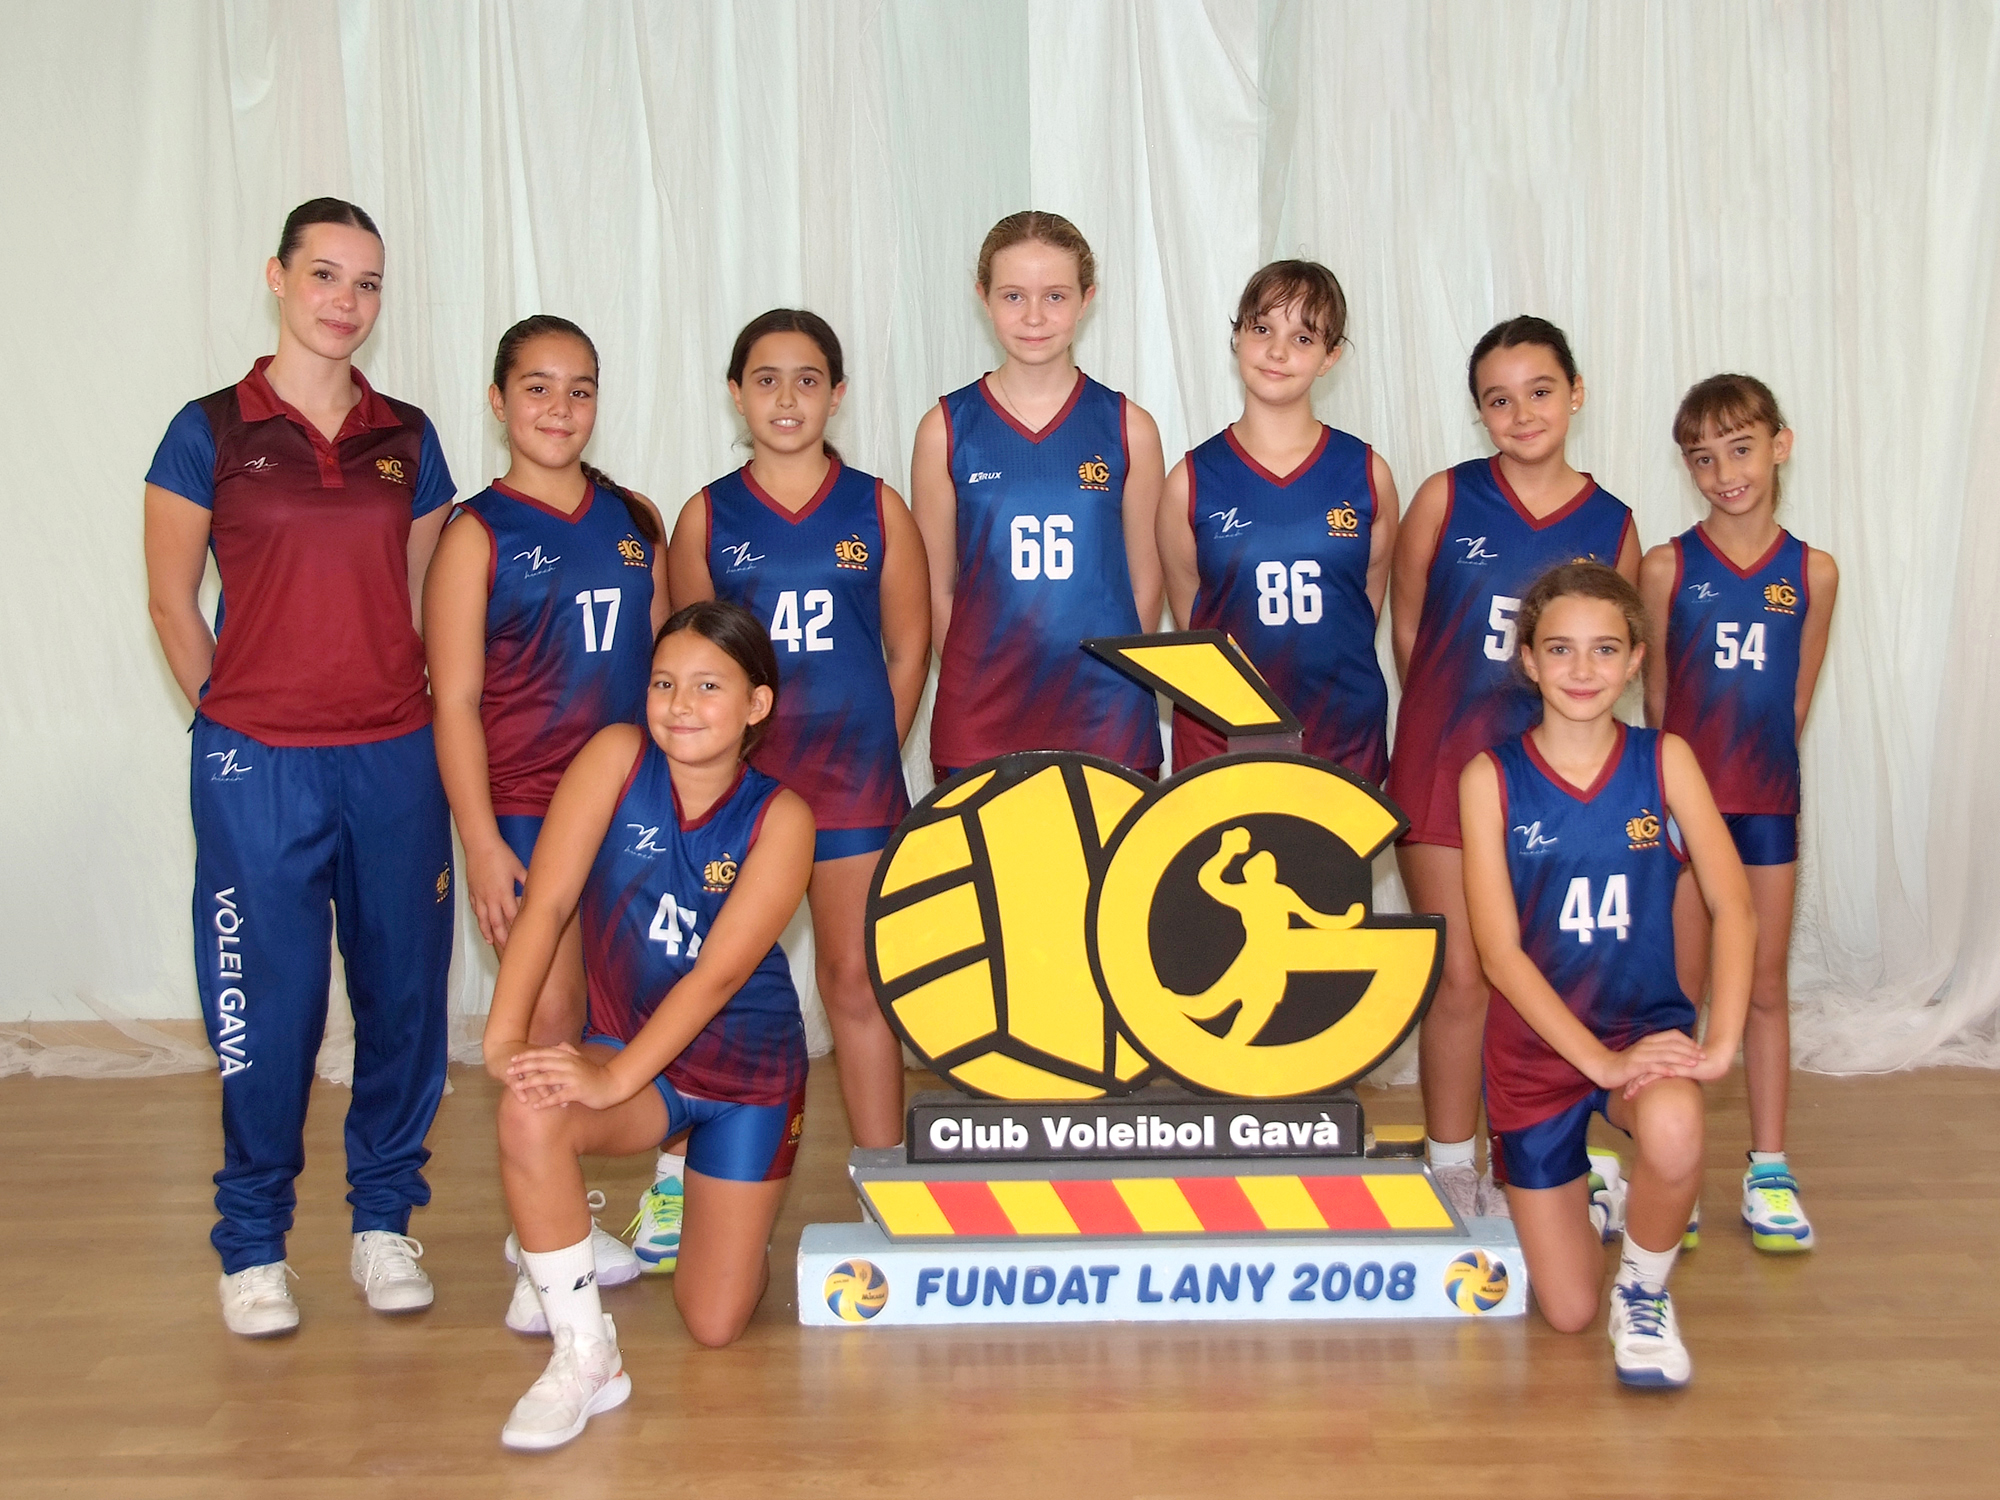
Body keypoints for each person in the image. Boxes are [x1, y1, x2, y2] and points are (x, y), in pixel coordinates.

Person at [143, 198, 456, 1336]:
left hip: (393, 757)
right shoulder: (209, 429)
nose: (345, 301)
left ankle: (383, 1223)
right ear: (277, 277)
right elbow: (171, 602)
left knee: (403, 997)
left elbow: (421, 606)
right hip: (259, 766)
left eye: (366, 282)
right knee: (266, 1008)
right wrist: (233, 720)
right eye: (325, 274)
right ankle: (253, 1244)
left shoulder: (407, 436)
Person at [485, 601, 814, 1451]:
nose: (680, 705)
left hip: (747, 1082)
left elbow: (717, 978)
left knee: (714, 1321)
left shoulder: (783, 819)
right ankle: (586, 1355)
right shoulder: (615, 759)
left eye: (709, 686)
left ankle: (724, 1216)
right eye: (665, 683)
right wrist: (504, 1035)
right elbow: (547, 902)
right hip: (644, 1061)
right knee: (529, 1109)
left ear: (757, 704)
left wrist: (611, 1077)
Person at [424, 315, 667, 1322]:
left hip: (628, 804)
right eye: (537, 387)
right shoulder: (474, 533)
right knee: (548, 1019)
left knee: (623, 1014)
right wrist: (481, 841)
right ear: (498, 401)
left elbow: (665, 673)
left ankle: (565, 1218)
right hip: (526, 807)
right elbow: (452, 701)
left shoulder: (633, 519)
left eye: (579, 389)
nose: (559, 408)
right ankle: (541, 1255)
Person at [1459, 562, 1754, 1388]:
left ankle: (1645, 1292)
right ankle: (1599, 1189)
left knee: (1677, 1124)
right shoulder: (1490, 778)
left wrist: (1720, 1043)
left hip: (1640, 1031)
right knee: (1566, 1310)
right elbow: (1499, 955)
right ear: (1528, 660)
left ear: (1635, 661)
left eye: (1604, 649)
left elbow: (1734, 905)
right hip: (1536, 1059)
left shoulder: (1666, 762)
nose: (1582, 669)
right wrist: (1599, 1064)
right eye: (1560, 649)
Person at [1386, 316, 1640, 1221]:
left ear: (1576, 393)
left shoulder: (1612, 524)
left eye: (1540, 391)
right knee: (1462, 975)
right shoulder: (1444, 499)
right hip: (1443, 766)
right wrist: (1452, 724)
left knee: (1540, 974)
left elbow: (1612, 658)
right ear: (1480, 413)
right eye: (1499, 399)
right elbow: (1410, 628)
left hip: (1550, 785)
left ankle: (1533, 1161)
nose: (1522, 412)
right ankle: (1452, 1162)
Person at [667, 310, 929, 1154]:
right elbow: (693, 671)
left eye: (807, 380)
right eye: (767, 380)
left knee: (854, 979)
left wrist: (875, 747)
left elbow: (910, 646)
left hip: (852, 785)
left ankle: (883, 1178)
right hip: (745, 789)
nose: (787, 398)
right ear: (736, 394)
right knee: (710, 978)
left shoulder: (877, 507)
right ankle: (683, 1179)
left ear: (837, 395)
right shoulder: (706, 517)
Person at [1640, 374, 1839, 1252]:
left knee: (1760, 986)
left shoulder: (1814, 573)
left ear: (1780, 445)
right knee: (1680, 992)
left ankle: (1770, 1167)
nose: (1725, 474)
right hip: (1688, 814)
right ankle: (1674, 1170)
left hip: (1766, 806)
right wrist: (1676, 802)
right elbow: (1657, 702)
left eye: (1741, 449)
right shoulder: (1666, 568)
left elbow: (1792, 703)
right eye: (1703, 458)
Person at [911, 210, 1166, 780]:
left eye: (1054, 296)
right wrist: (981, 672)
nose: (1033, 316)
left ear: (1086, 299)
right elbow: (935, 587)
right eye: (1013, 296)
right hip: (981, 715)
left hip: (1107, 713)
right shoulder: (945, 429)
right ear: (983, 297)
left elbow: (1145, 586)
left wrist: (1110, 676)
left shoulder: (1130, 428)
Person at [1156, 259, 1396, 778]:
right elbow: (1194, 617)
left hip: (1342, 736)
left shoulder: (1367, 474)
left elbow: (1362, 609)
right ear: (1238, 337)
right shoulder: (1190, 481)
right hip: (1221, 742)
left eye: (1303, 338)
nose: (1278, 351)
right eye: (1262, 329)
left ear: (1330, 357)